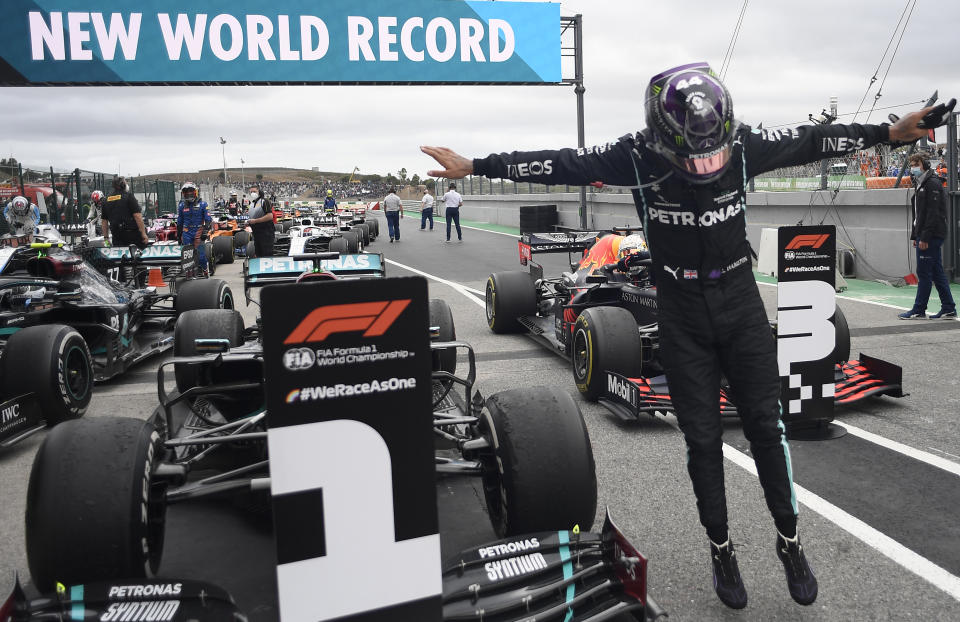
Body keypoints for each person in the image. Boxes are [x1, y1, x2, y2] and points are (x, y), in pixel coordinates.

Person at [421, 61, 951, 610]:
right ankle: (720, 548)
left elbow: (815, 138)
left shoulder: (745, 144)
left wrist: (889, 133)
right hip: (680, 309)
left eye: (712, 152)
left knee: (767, 429)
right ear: (661, 136)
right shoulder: (635, 153)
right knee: (701, 440)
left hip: (740, 302)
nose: (703, 162)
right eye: (691, 154)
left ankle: (789, 541)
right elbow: (561, 162)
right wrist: (476, 164)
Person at [899, 153, 956, 319]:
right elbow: (919, 213)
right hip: (926, 234)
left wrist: (924, 237)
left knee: (924, 273)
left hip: (931, 235)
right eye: (911, 164)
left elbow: (933, 214)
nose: (913, 167)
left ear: (924, 164)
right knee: (937, 272)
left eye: (915, 164)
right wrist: (916, 236)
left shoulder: (932, 183)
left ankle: (919, 309)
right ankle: (948, 308)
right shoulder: (922, 182)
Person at [101, 176, 148, 249]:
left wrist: (106, 238)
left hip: (116, 235)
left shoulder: (106, 199)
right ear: (123, 185)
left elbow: (104, 221)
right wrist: (143, 233)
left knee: (120, 256)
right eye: (126, 183)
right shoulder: (129, 196)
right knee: (138, 255)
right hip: (132, 235)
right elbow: (137, 216)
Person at [176, 182, 212, 274]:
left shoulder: (203, 204)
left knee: (200, 255)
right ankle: (189, 272)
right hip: (186, 232)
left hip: (198, 231)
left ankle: (205, 269)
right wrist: (179, 235)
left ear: (195, 191)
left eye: (190, 191)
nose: (188, 193)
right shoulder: (181, 206)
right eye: (186, 191)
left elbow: (208, 219)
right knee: (187, 255)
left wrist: (205, 231)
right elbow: (179, 222)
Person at [246, 184, 275, 257]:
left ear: (259, 192)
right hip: (256, 232)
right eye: (251, 192)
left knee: (266, 253)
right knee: (258, 253)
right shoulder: (252, 203)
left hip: (266, 232)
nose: (253, 193)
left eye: (254, 191)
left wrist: (255, 221)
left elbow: (270, 216)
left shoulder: (264, 201)